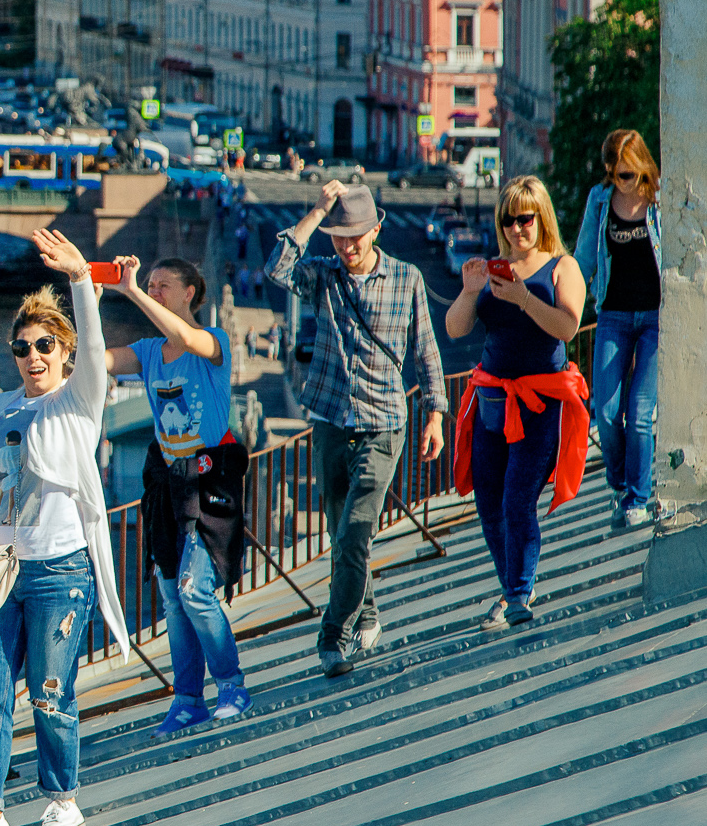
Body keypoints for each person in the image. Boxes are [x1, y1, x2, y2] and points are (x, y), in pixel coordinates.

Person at [0, 229, 132, 826]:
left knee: (50, 691)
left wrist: (82, 278)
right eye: (22, 347)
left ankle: (62, 794)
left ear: (65, 350)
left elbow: (98, 345)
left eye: (44, 345)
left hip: (60, 570)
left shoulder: (77, 403)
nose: (31, 356)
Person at [268, 181, 446, 678]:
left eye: (356, 237)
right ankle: (366, 612)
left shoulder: (406, 278)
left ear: (377, 229)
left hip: (384, 424)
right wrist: (317, 211)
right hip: (329, 419)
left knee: (354, 533)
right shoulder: (324, 276)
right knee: (341, 532)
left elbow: (426, 350)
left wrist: (434, 414)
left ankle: (333, 635)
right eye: (339, 238)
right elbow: (277, 267)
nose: (347, 247)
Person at [102, 256, 251, 734]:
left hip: (210, 482)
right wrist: (78, 290)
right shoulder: (148, 352)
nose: (154, 290)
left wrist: (131, 291)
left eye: (163, 285)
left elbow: (186, 338)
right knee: (171, 595)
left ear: (190, 292)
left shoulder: (213, 343)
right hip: (169, 485)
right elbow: (98, 360)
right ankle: (188, 698)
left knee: (194, 588)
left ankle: (231, 683)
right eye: (150, 285)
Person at [446, 176, 589, 629]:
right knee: (488, 500)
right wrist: (470, 292)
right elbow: (454, 329)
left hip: (541, 400)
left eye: (524, 220)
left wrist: (525, 298)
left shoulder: (562, 267)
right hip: (493, 396)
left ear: (540, 218)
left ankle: (518, 593)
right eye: (507, 221)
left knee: (517, 498)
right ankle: (512, 586)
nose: (515, 230)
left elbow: (567, 327)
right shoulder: (492, 270)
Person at [573, 130, 669, 528]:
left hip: (654, 317)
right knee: (607, 413)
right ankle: (620, 486)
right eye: (613, 174)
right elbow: (581, 260)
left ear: (642, 166)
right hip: (612, 314)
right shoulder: (600, 200)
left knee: (641, 412)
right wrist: (564, 311)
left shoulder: (659, 201)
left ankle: (638, 498)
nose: (619, 182)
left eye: (626, 175)